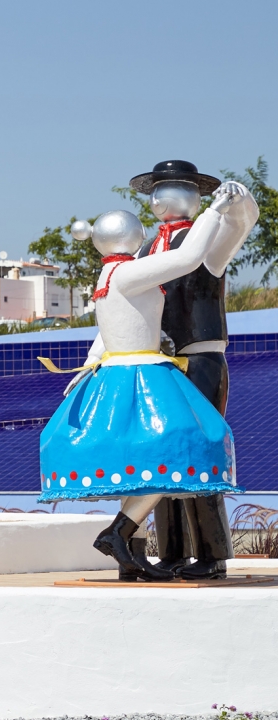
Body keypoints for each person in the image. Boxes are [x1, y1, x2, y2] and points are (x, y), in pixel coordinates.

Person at [38, 186, 252, 581]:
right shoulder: (135, 268)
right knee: (180, 451)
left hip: (129, 369)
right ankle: (123, 534)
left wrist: (88, 364)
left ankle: (133, 549)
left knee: (142, 456)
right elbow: (188, 258)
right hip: (146, 372)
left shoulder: (109, 274)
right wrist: (217, 210)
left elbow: (108, 329)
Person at [127, 161, 257, 579]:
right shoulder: (146, 250)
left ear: (197, 196)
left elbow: (240, 224)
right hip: (159, 362)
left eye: (177, 187)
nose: (165, 196)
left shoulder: (206, 240)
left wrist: (236, 202)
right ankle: (171, 551)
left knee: (198, 453)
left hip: (200, 358)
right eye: (160, 189)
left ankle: (212, 554)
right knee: (164, 457)